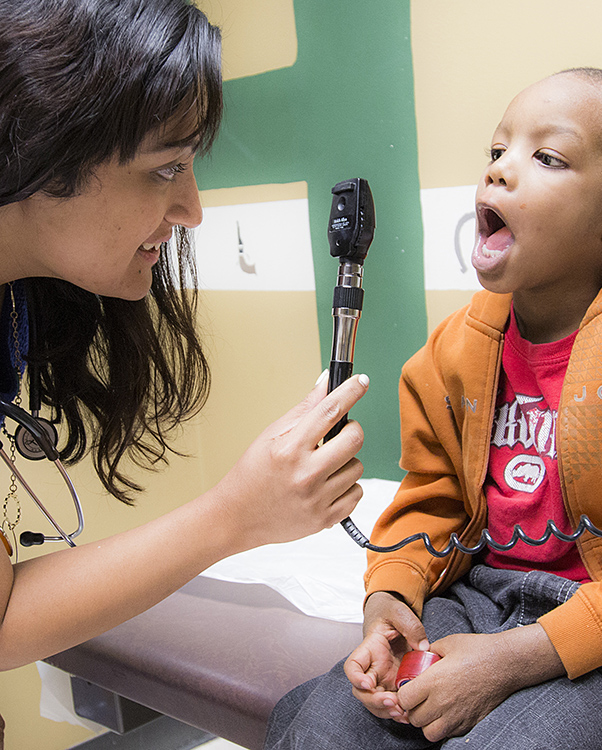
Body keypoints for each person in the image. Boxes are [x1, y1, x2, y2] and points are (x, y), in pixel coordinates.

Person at [263, 68, 602, 749]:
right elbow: (434, 496)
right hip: (477, 598)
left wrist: (515, 660)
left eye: (547, 157)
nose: (500, 172)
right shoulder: (456, 349)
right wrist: (389, 599)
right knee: (320, 726)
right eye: (497, 151)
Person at [0, 0, 369, 739]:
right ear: (33, 149)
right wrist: (238, 514)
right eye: (164, 167)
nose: (192, 209)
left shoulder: (23, 308)